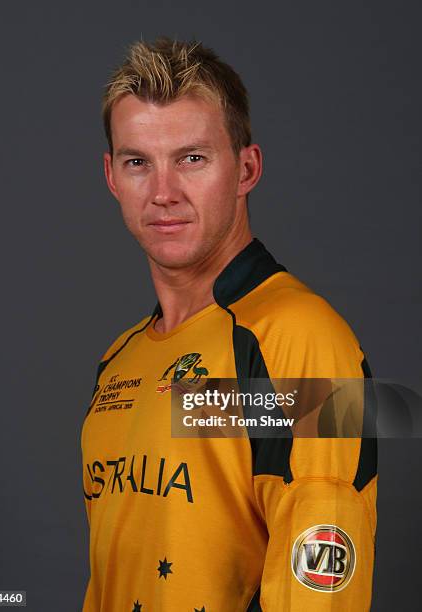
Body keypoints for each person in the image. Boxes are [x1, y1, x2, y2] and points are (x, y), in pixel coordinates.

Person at [81, 37, 377, 611]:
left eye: (193, 158)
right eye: (138, 162)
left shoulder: (301, 338)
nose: (163, 193)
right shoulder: (119, 359)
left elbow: (322, 572)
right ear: (112, 177)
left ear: (246, 168)